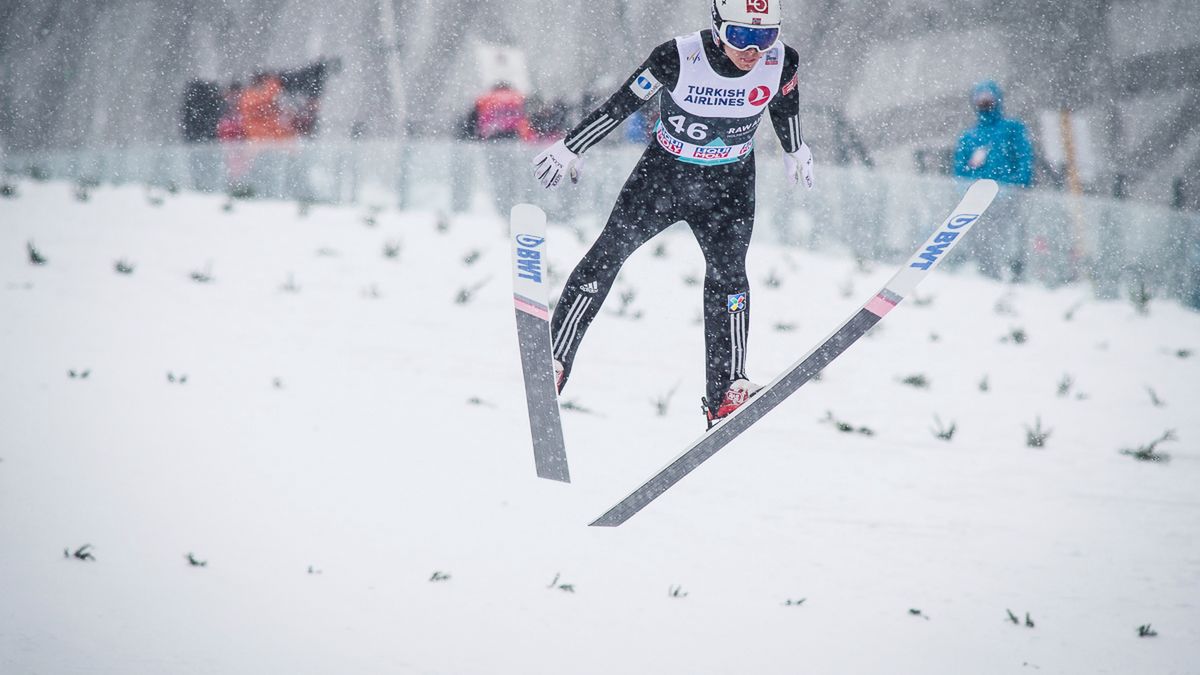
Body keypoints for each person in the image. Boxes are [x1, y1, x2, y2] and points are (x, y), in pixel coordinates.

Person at [531, 0, 813, 427]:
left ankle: (727, 388)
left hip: (729, 189)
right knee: (608, 254)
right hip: (663, 180)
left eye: (764, 37)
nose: (753, 50)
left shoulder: (782, 61)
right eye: (742, 36)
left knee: (730, 275)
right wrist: (574, 145)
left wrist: (794, 147)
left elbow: (785, 105)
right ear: (718, 27)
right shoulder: (677, 56)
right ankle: (555, 359)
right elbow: (622, 103)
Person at [954, 80, 1034, 280]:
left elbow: (1025, 159)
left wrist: (1014, 184)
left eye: (988, 98)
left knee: (1008, 237)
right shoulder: (969, 136)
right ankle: (985, 272)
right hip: (978, 202)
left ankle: (1013, 273)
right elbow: (960, 170)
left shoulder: (1011, 129)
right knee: (982, 239)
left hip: (1009, 199)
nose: (984, 103)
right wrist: (972, 188)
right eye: (980, 99)